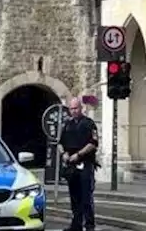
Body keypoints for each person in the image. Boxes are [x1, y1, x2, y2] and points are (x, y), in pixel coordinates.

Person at [58, 96, 99, 231]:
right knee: (74, 197)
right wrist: (64, 153)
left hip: (85, 164)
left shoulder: (89, 123)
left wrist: (79, 154)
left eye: (76, 108)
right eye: (71, 108)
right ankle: (76, 225)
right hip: (71, 166)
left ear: (81, 108)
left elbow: (93, 144)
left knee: (86, 197)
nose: (74, 111)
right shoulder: (68, 125)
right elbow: (60, 143)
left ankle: (89, 225)